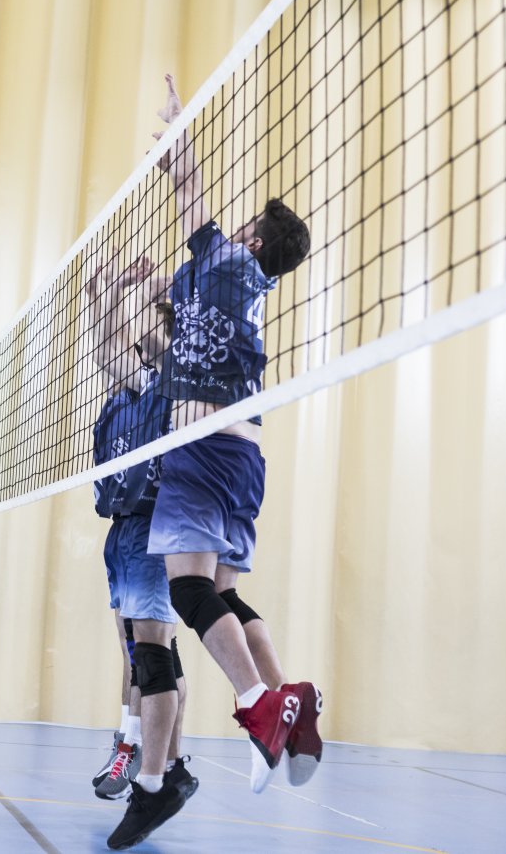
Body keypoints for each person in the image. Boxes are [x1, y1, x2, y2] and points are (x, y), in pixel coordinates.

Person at [110, 76, 317, 850]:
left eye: (247, 224)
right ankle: (293, 710)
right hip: (237, 453)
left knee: (189, 590)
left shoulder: (231, 267)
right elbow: (178, 316)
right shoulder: (223, 285)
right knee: (224, 595)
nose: (236, 227)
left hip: (204, 450)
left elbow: (196, 203)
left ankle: (261, 705)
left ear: (257, 240)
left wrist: (179, 135)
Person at [83, 261, 196, 805]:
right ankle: (161, 759)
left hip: (156, 527)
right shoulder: (126, 394)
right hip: (124, 528)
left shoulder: (167, 383)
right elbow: (111, 345)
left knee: (153, 652)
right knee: (136, 651)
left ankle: (150, 760)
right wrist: (104, 292)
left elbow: (126, 340)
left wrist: (128, 291)